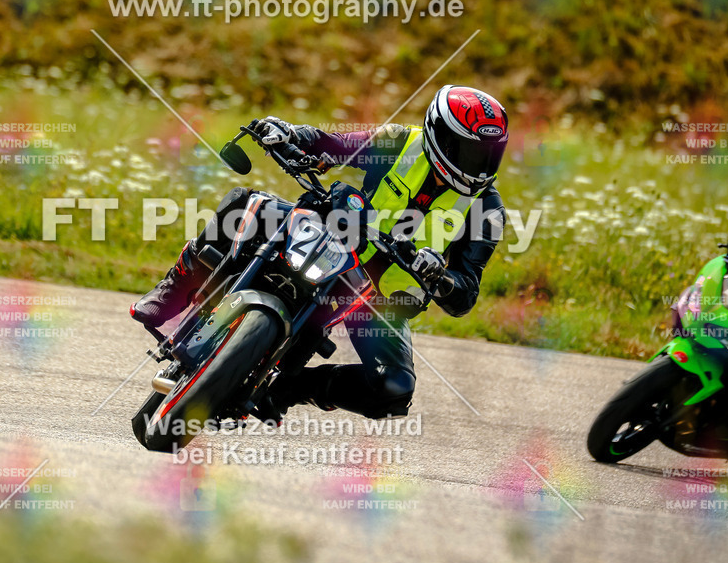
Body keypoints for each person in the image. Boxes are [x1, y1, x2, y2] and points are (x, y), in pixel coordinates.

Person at [130, 85, 509, 420]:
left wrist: (440, 277)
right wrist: (287, 133)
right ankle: (171, 291)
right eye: (471, 151)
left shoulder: (487, 210)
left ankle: (287, 389)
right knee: (247, 204)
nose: (480, 163)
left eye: (490, 154)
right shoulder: (399, 143)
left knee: (394, 389)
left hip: (375, 301)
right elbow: (331, 145)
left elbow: (465, 295)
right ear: (438, 134)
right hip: (331, 236)